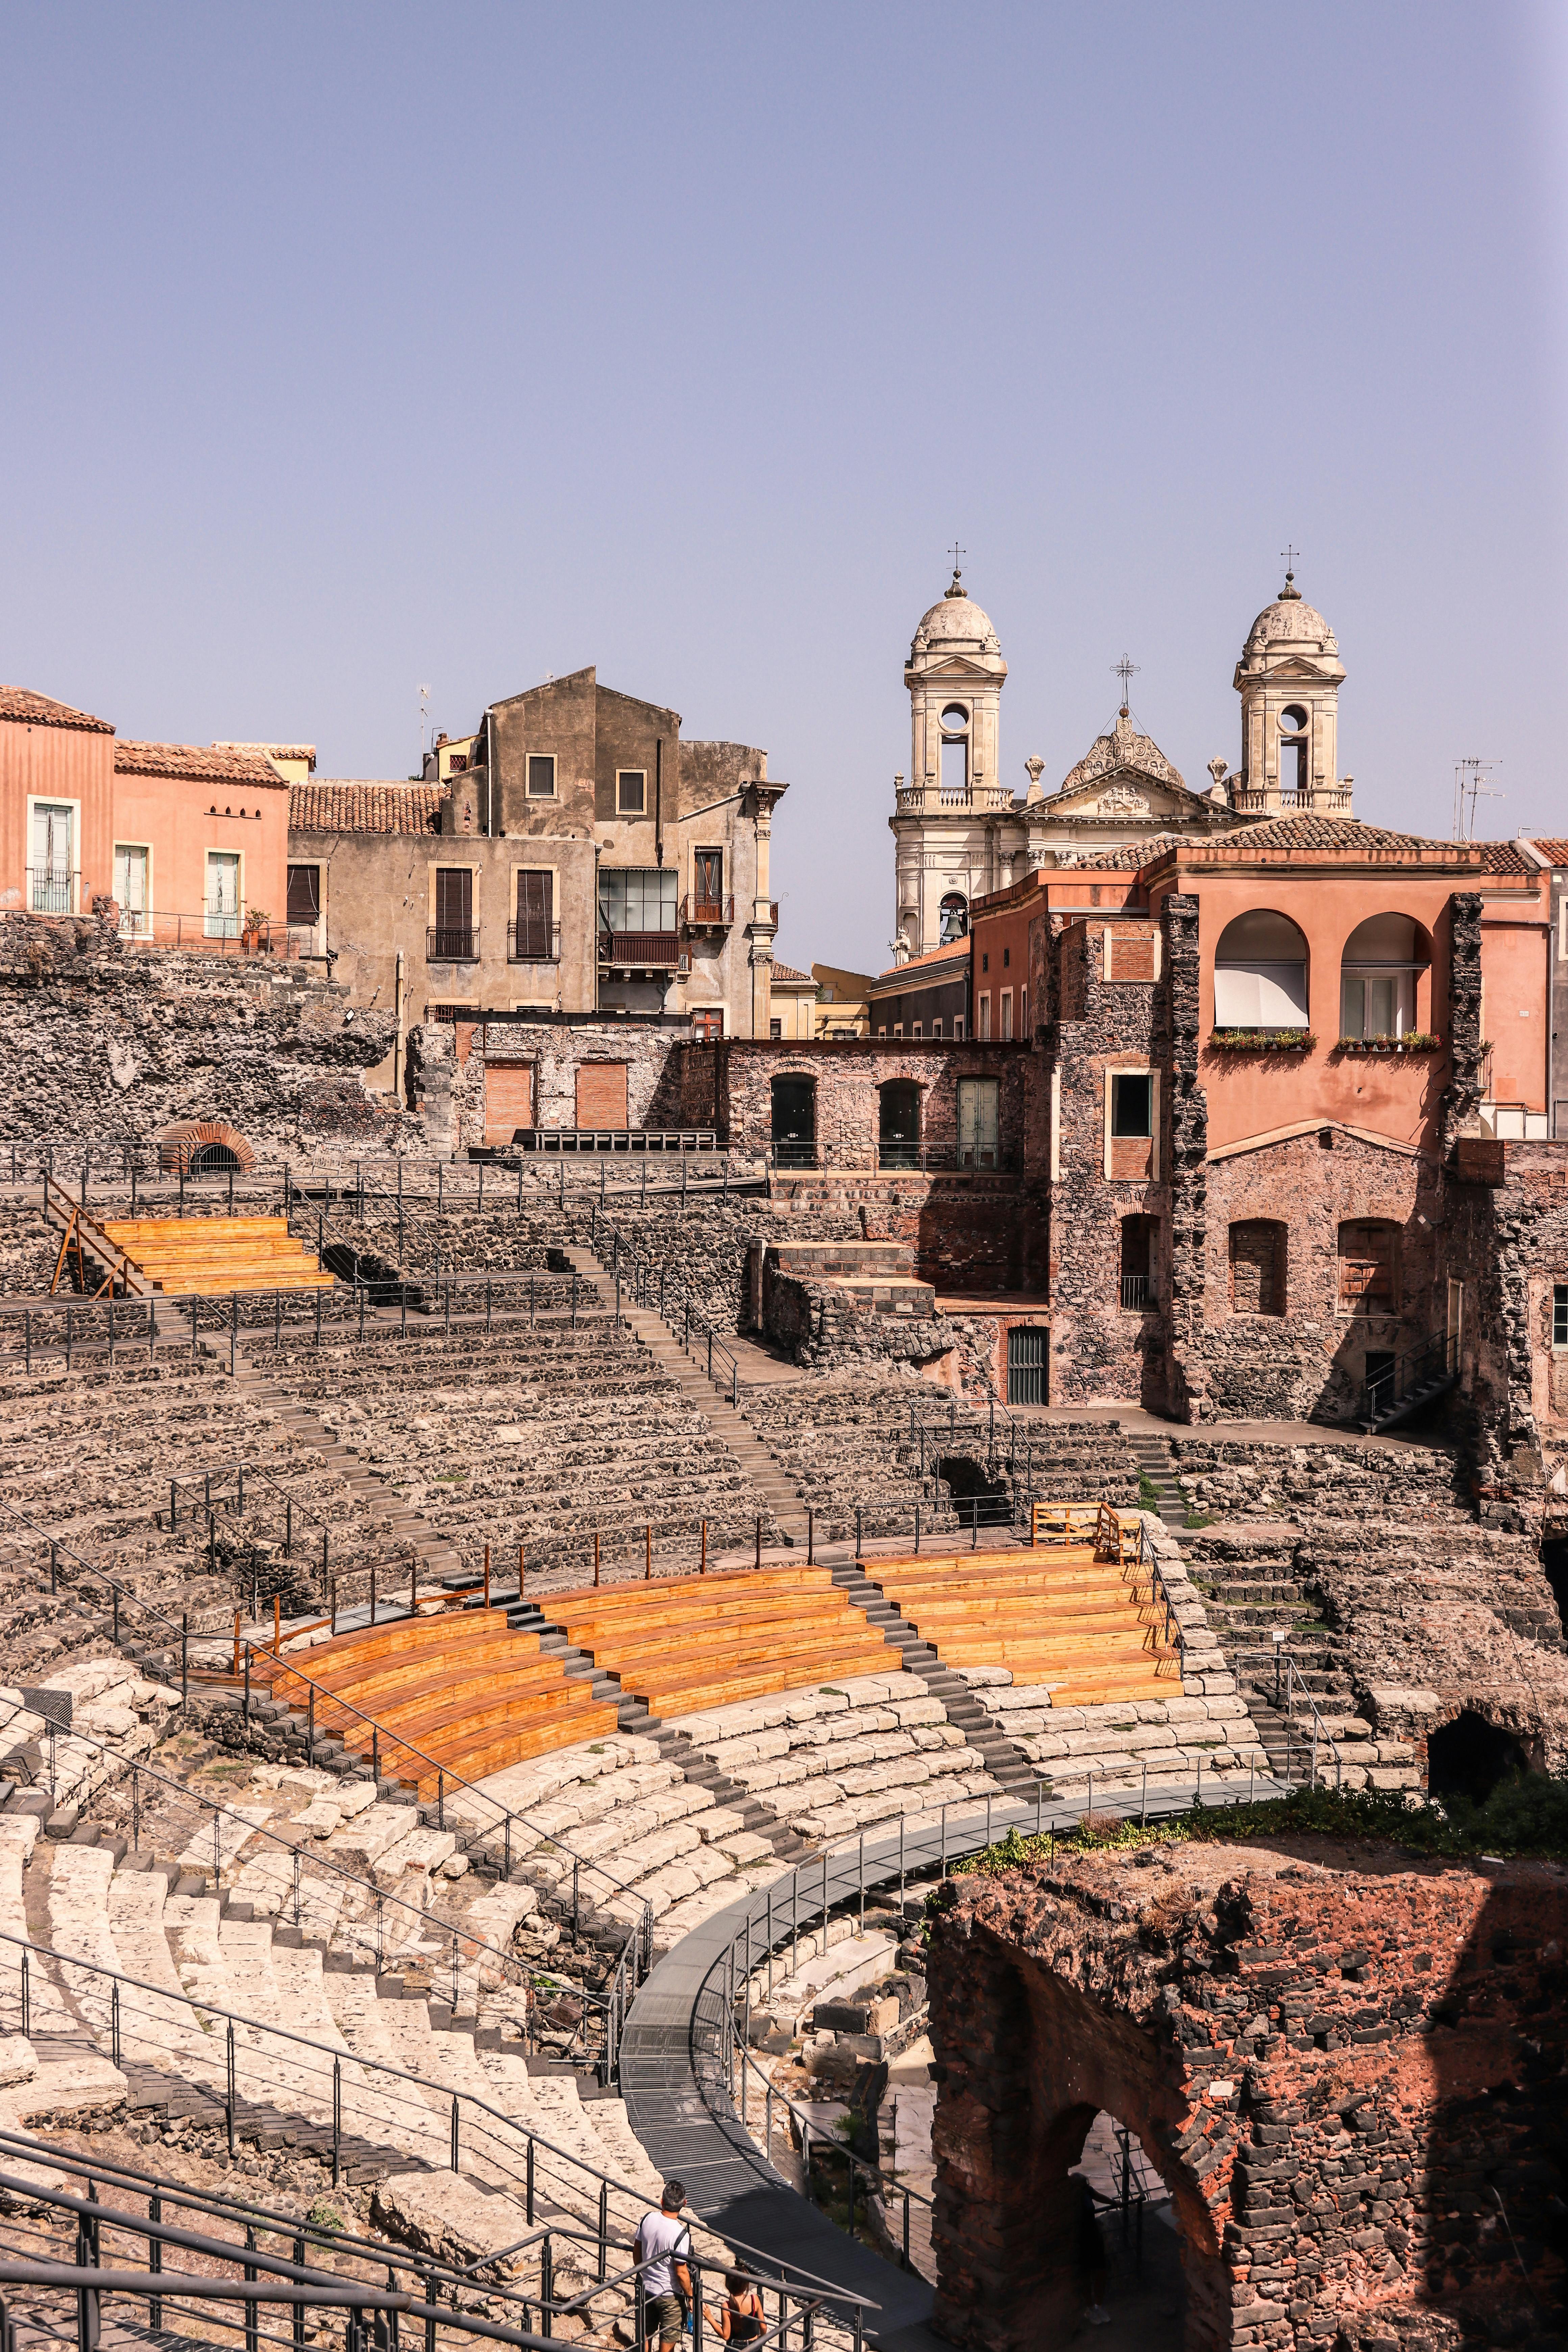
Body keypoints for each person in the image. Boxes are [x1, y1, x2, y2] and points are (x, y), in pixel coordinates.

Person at [633, 2179, 692, 2350]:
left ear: (662, 2201)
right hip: (669, 2296)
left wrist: (644, 2273)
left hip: (645, 2287)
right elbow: (681, 2273)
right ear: (684, 2203)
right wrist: (690, 2296)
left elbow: (637, 2253)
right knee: (668, 2342)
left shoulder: (647, 2219)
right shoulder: (681, 2234)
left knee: (645, 2334)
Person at [1076, 2174, 1111, 2326]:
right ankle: (1090, 2309)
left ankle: (1099, 2306)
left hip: (1094, 2237)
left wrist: (1114, 2203)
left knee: (1100, 2272)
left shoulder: (1087, 2191)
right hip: (1080, 2241)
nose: (1086, 2187)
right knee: (1086, 2276)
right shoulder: (1069, 2199)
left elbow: (1099, 2197)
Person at [706, 2271, 764, 2346]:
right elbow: (763, 2327)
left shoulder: (726, 2306)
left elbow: (726, 2336)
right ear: (746, 2286)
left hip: (735, 2347)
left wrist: (709, 2317)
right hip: (754, 2346)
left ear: (728, 2286)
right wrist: (762, 2340)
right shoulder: (755, 2300)